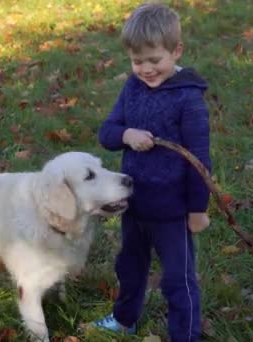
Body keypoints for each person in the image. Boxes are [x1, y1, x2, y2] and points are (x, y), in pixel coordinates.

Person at [91, 2, 212, 341]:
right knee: (129, 268)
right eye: (137, 61)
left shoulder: (188, 100)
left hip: (173, 212)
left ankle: (185, 335)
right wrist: (126, 135)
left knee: (179, 280)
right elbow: (107, 132)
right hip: (134, 204)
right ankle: (124, 319)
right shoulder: (132, 87)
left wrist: (197, 210)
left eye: (154, 60)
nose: (145, 69)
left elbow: (199, 160)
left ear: (176, 51)